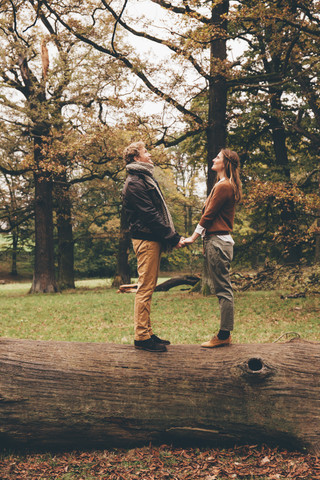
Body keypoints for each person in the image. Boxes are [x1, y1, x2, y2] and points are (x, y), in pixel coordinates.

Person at [122, 141, 184, 352]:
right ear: (136, 158)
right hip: (146, 239)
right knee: (145, 288)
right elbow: (150, 215)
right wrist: (173, 237)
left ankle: (146, 332)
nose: (149, 154)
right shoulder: (135, 182)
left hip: (151, 239)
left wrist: (169, 236)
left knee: (148, 286)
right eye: (145, 151)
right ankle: (141, 337)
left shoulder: (143, 178)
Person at [183, 148, 242, 348]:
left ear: (226, 163)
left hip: (218, 243)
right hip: (216, 242)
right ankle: (224, 333)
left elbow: (208, 215)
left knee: (223, 290)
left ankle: (224, 335)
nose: (213, 158)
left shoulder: (224, 186)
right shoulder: (222, 184)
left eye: (217, 157)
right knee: (222, 289)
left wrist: (193, 236)